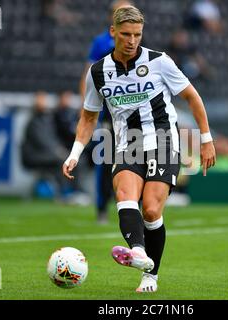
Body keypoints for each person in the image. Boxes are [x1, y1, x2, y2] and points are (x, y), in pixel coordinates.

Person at [63, 6, 216, 292]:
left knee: (151, 209)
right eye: (125, 34)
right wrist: (74, 153)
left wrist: (206, 139)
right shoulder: (98, 72)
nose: (132, 40)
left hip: (163, 141)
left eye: (137, 34)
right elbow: (88, 117)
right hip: (125, 144)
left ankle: (150, 275)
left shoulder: (160, 62)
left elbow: (193, 98)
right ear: (113, 32)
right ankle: (139, 253)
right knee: (124, 196)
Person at [79, 0, 133, 224]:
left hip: (132, 109)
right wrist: (87, 108)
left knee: (135, 158)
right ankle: (101, 207)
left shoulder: (134, 39)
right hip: (109, 112)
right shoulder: (101, 42)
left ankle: (134, 205)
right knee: (105, 160)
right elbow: (88, 73)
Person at [21, 91, 71, 200]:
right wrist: (57, 151)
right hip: (34, 156)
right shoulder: (34, 121)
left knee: (66, 159)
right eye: (41, 100)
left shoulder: (47, 119)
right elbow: (42, 141)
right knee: (60, 161)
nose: (43, 103)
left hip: (44, 154)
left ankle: (70, 190)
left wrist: (59, 149)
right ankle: (64, 192)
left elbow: (52, 139)